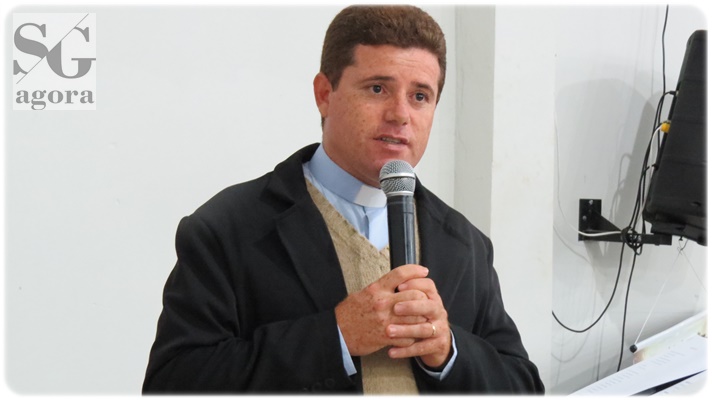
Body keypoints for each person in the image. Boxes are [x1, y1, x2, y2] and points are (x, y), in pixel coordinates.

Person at [143, 5, 544, 394]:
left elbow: (523, 385)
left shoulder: (467, 244)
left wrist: (448, 351)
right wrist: (336, 336)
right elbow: (172, 382)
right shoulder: (227, 228)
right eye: (377, 88)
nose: (400, 114)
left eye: (420, 96)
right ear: (324, 94)